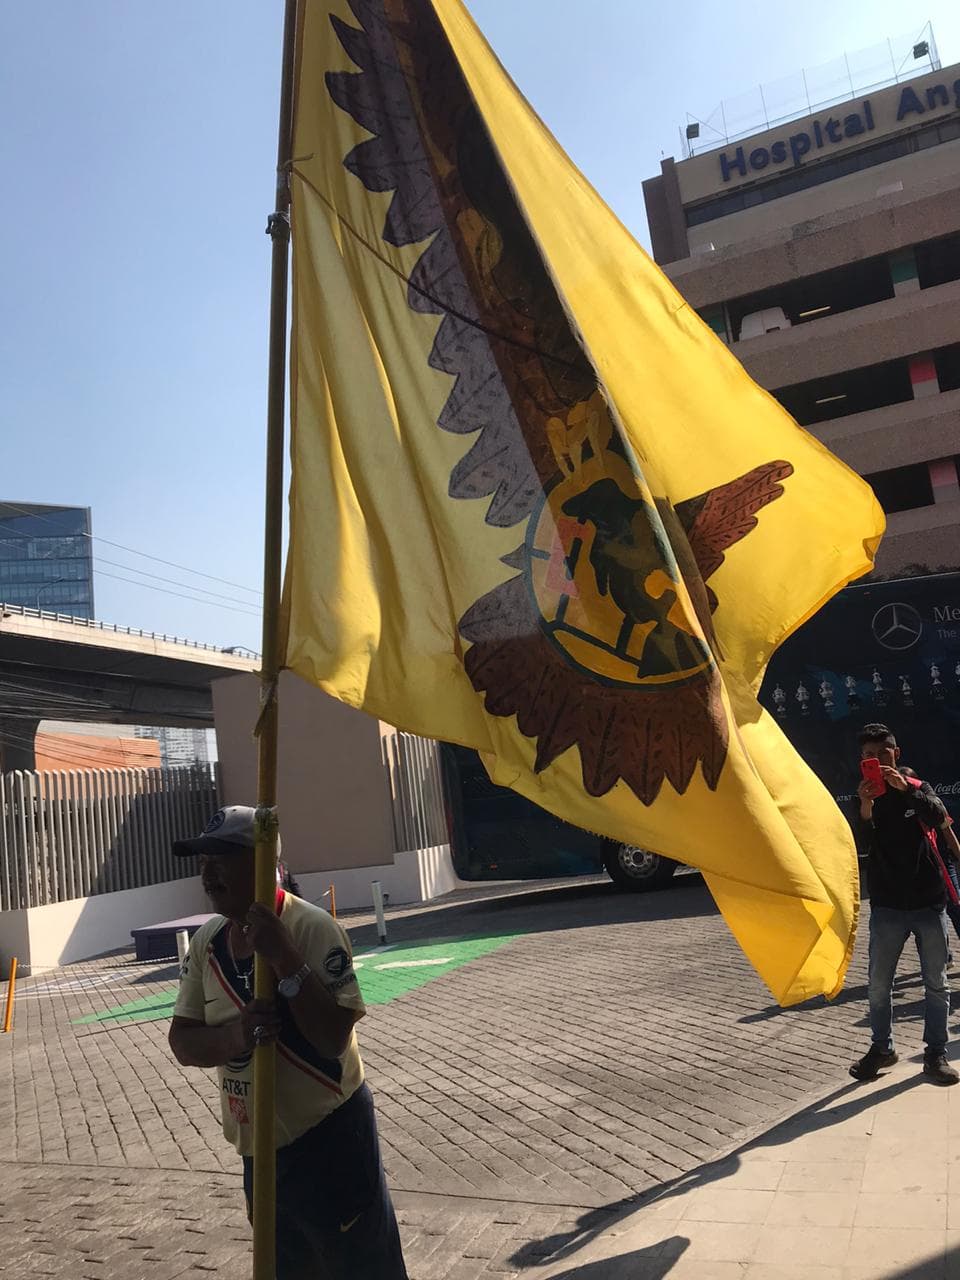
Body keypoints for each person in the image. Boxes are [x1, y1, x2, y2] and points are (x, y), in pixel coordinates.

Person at [168, 805, 408, 1279]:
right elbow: (183, 1041)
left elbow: (332, 1039)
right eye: (202, 858)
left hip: (330, 1139)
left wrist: (285, 960)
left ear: (261, 864)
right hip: (256, 1147)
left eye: (222, 857)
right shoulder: (208, 942)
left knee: (362, 1268)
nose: (207, 871)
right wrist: (236, 1035)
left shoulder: (312, 928)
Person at [851, 725, 959, 1085]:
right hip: (887, 905)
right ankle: (882, 1048)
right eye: (870, 755)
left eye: (884, 753)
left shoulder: (917, 788)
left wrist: (907, 792)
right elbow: (862, 845)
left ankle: (935, 1054)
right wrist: (865, 806)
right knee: (879, 984)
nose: (878, 761)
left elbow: (938, 818)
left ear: (896, 753)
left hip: (929, 902)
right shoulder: (865, 798)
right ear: (862, 760)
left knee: (936, 984)